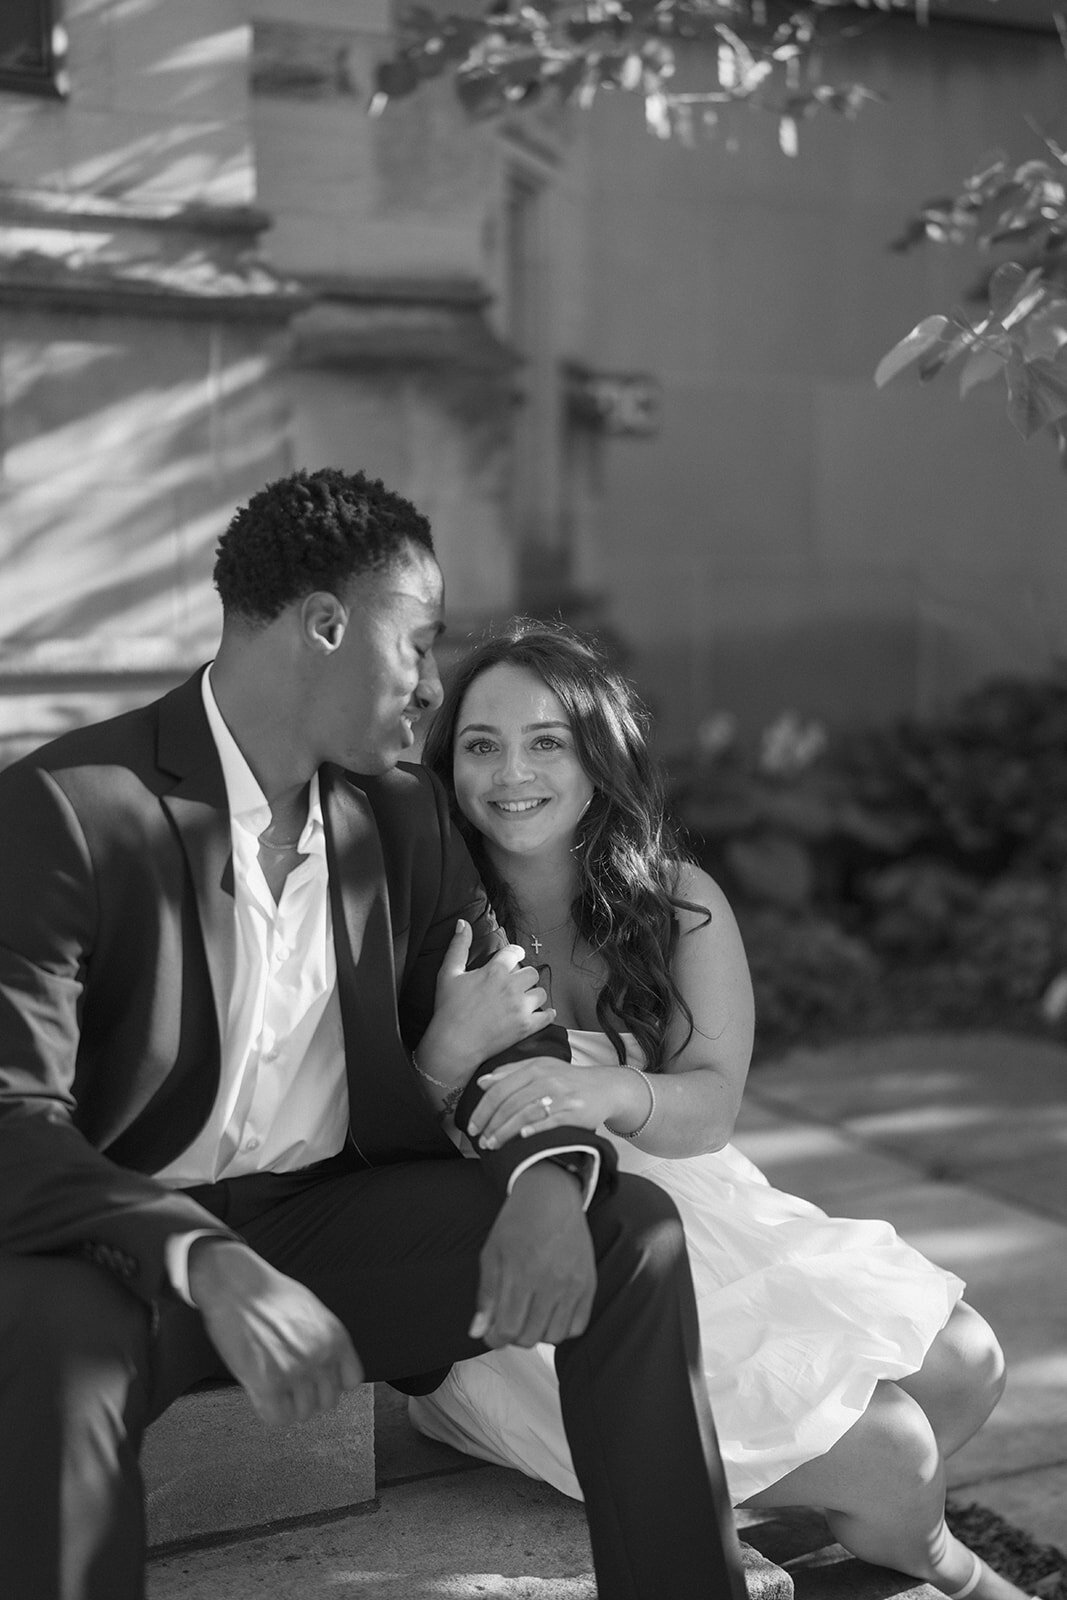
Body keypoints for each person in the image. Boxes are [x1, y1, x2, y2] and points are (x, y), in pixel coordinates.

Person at [0, 471, 748, 1600]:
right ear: (327, 625)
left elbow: (513, 1031)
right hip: (116, 1257)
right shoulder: (69, 807)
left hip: (322, 1227)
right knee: (46, 1341)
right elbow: (15, 1120)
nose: (430, 685)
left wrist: (547, 1174)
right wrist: (198, 1255)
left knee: (626, 1230)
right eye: (420, 642)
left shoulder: (400, 815)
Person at [413, 618, 1030, 1600]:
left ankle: (781, 1518)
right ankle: (943, 1567)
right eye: (480, 744)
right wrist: (443, 1057)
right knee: (888, 1453)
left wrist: (603, 1087)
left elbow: (705, 1108)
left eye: (545, 742)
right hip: (539, 1256)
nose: (509, 771)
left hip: (695, 1210)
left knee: (963, 1362)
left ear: (596, 754)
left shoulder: (674, 899)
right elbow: (378, 1131)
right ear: (447, 764)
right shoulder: (424, 913)